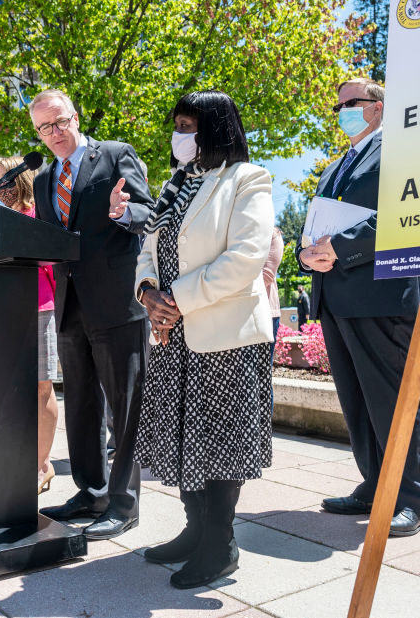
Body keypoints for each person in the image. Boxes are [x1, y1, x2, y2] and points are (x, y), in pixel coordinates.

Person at [128, 90, 275, 590]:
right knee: (180, 435)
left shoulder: (247, 180)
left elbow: (246, 256)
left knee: (219, 440)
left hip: (224, 336)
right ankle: (194, 530)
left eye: (189, 125)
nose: (180, 135)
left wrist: (177, 300)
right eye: (178, 125)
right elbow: (148, 253)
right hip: (172, 335)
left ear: (216, 128)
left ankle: (220, 542)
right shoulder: (175, 184)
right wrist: (148, 293)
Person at [295, 77, 420, 536]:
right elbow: (317, 220)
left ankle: (412, 498)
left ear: (376, 107)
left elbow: (405, 211)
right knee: (357, 401)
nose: (342, 112)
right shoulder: (337, 165)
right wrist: (305, 251)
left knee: (392, 401)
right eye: (338, 106)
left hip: (380, 294)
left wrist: (342, 246)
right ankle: (375, 484)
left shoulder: (399, 149)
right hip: (336, 296)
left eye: (350, 103)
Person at [30, 88, 155, 540]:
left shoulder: (115, 155)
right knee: (80, 404)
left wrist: (124, 212)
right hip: (69, 305)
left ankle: (124, 503)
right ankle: (92, 490)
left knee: (124, 408)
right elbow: (49, 236)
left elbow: (149, 212)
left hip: (117, 302)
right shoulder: (44, 178)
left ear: (75, 117)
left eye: (59, 122)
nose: (53, 133)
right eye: (43, 128)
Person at [0, 157, 61, 494]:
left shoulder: (39, 213)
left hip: (39, 307)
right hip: (3, 308)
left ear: (20, 180)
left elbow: (53, 260)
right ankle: (15, 459)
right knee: (10, 388)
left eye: (3, 178)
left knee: (40, 386)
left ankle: (41, 465)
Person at [262, 225, 284, 363]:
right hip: (233, 314)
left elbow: (267, 275)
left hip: (265, 313)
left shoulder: (272, 234)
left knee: (261, 374)